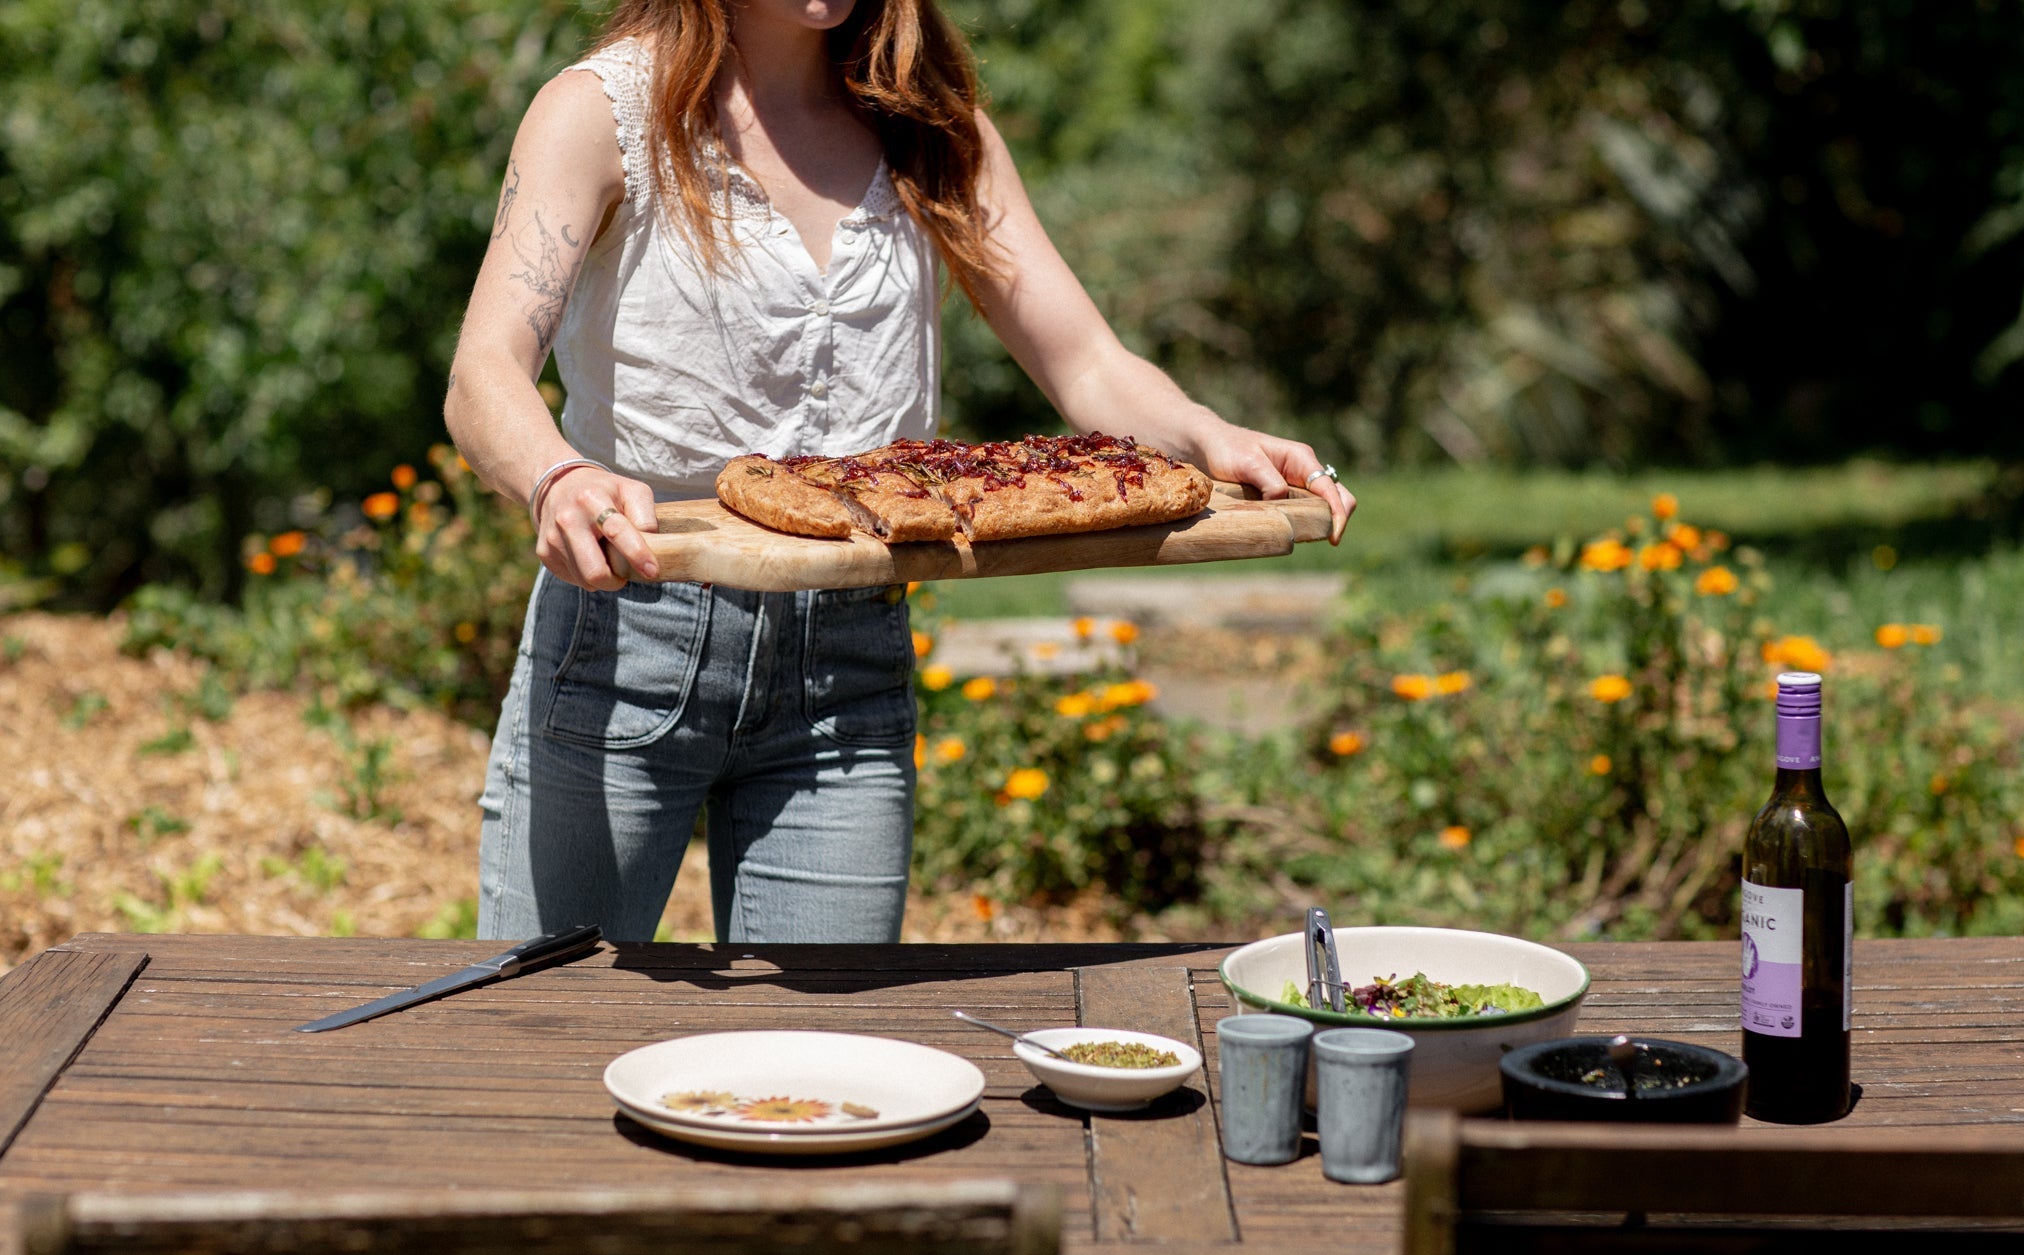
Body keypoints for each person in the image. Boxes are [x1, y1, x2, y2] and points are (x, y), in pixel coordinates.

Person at [444, 0, 1357, 946]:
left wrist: (1212, 436)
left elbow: (1085, 361)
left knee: (829, 1067)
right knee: (548, 1032)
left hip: (848, 663)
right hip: (630, 640)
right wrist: (554, 477)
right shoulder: (601, 113)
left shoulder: (934, 129)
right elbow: (483, 374)